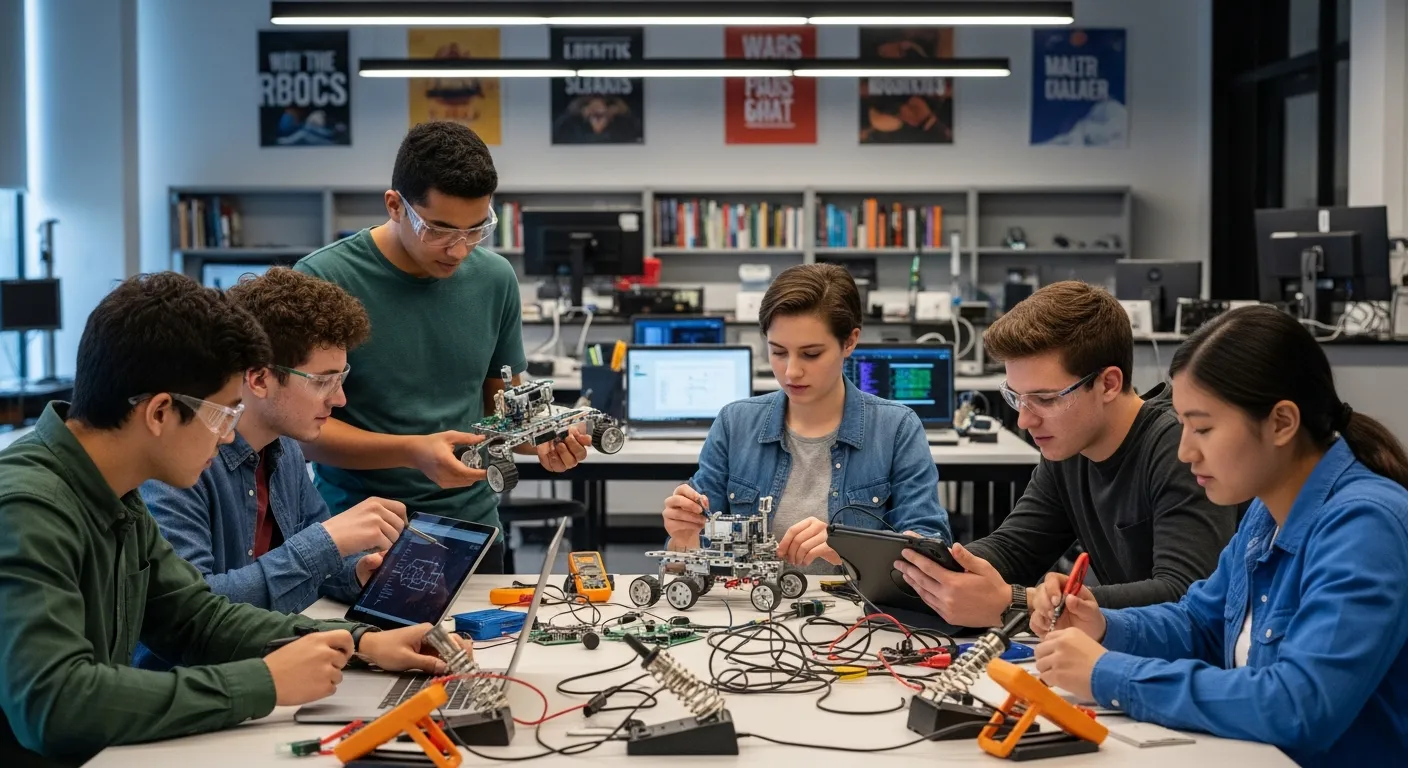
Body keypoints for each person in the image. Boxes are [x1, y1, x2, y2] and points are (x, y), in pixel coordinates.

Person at [0, 273, 467, 768]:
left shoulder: (116, 491)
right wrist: (264, 683)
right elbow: (55, 704)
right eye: (224, 414)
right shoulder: (29, 506)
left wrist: (360, 642)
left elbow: (197, 618)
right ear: (160, 413)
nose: (228, 437)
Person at [1033, 305, 1408, 764]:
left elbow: (1298, 705)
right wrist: (1104, 626)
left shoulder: (1364, 526)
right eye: (1183, 426)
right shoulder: (1266, 513)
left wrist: (1108, 673)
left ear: (1281, 423)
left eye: (1203, 428)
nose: (1186, 451)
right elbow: (1200, 623)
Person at [293, 121, 592, 572]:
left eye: (476, 230)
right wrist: (413, 450)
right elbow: (300, 434)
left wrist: (543, 441)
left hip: (473, 532)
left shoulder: (495, 279)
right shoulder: (323, 281)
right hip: (364, 535)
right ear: (395, 206)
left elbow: (500, 408)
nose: (459, 250)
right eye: (439, 230)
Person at [891, 281, 1236, 628]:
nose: (1025, 420)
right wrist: (940, 569)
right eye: (1017, 398)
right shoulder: (1070, 446)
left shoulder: (1179, 449)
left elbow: (1186, 595)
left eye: (1045, 399)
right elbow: (1016, 548)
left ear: (1108, 384)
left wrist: (1018, 603)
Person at [138, 269, 405, 657]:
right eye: (323, 381)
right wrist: (325, 544)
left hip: (278, 661)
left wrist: (357, 572)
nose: (340, 399)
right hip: (199, 680)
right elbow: (195, 613)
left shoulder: (284, 448)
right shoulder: (180, 465)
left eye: (341, 378)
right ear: (260, 379)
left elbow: (311, 569)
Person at [661, 263, 951, 575]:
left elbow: (931, 548)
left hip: (854, 604)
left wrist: (852, 549)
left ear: (850, 342)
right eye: (778, 352)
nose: (791, 371)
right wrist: (684, 538)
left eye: (811, 354)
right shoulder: (735, 423)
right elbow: (685, 567)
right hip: (750, 603)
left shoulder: (896, 429)